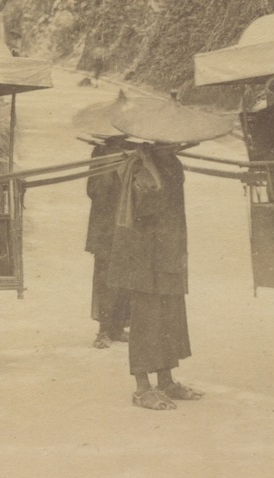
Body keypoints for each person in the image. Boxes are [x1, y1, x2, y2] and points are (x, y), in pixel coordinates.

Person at [107, 140, 200, 411]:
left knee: (171, 315)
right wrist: (147, 166)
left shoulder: (171, 161)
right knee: (147, 318)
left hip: (169, 249)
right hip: (143, 254)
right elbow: (144, 207)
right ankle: (142, 387)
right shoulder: (136, 164)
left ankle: (167, 380)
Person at [85, 134, 133, 348]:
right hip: (105, 226)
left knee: (126, 275)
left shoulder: (134, 152)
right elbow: (94, 190)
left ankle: (118, 327)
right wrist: (109, 167)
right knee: (105, 276)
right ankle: (103, 330)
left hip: (127, 223)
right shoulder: (100, 153)